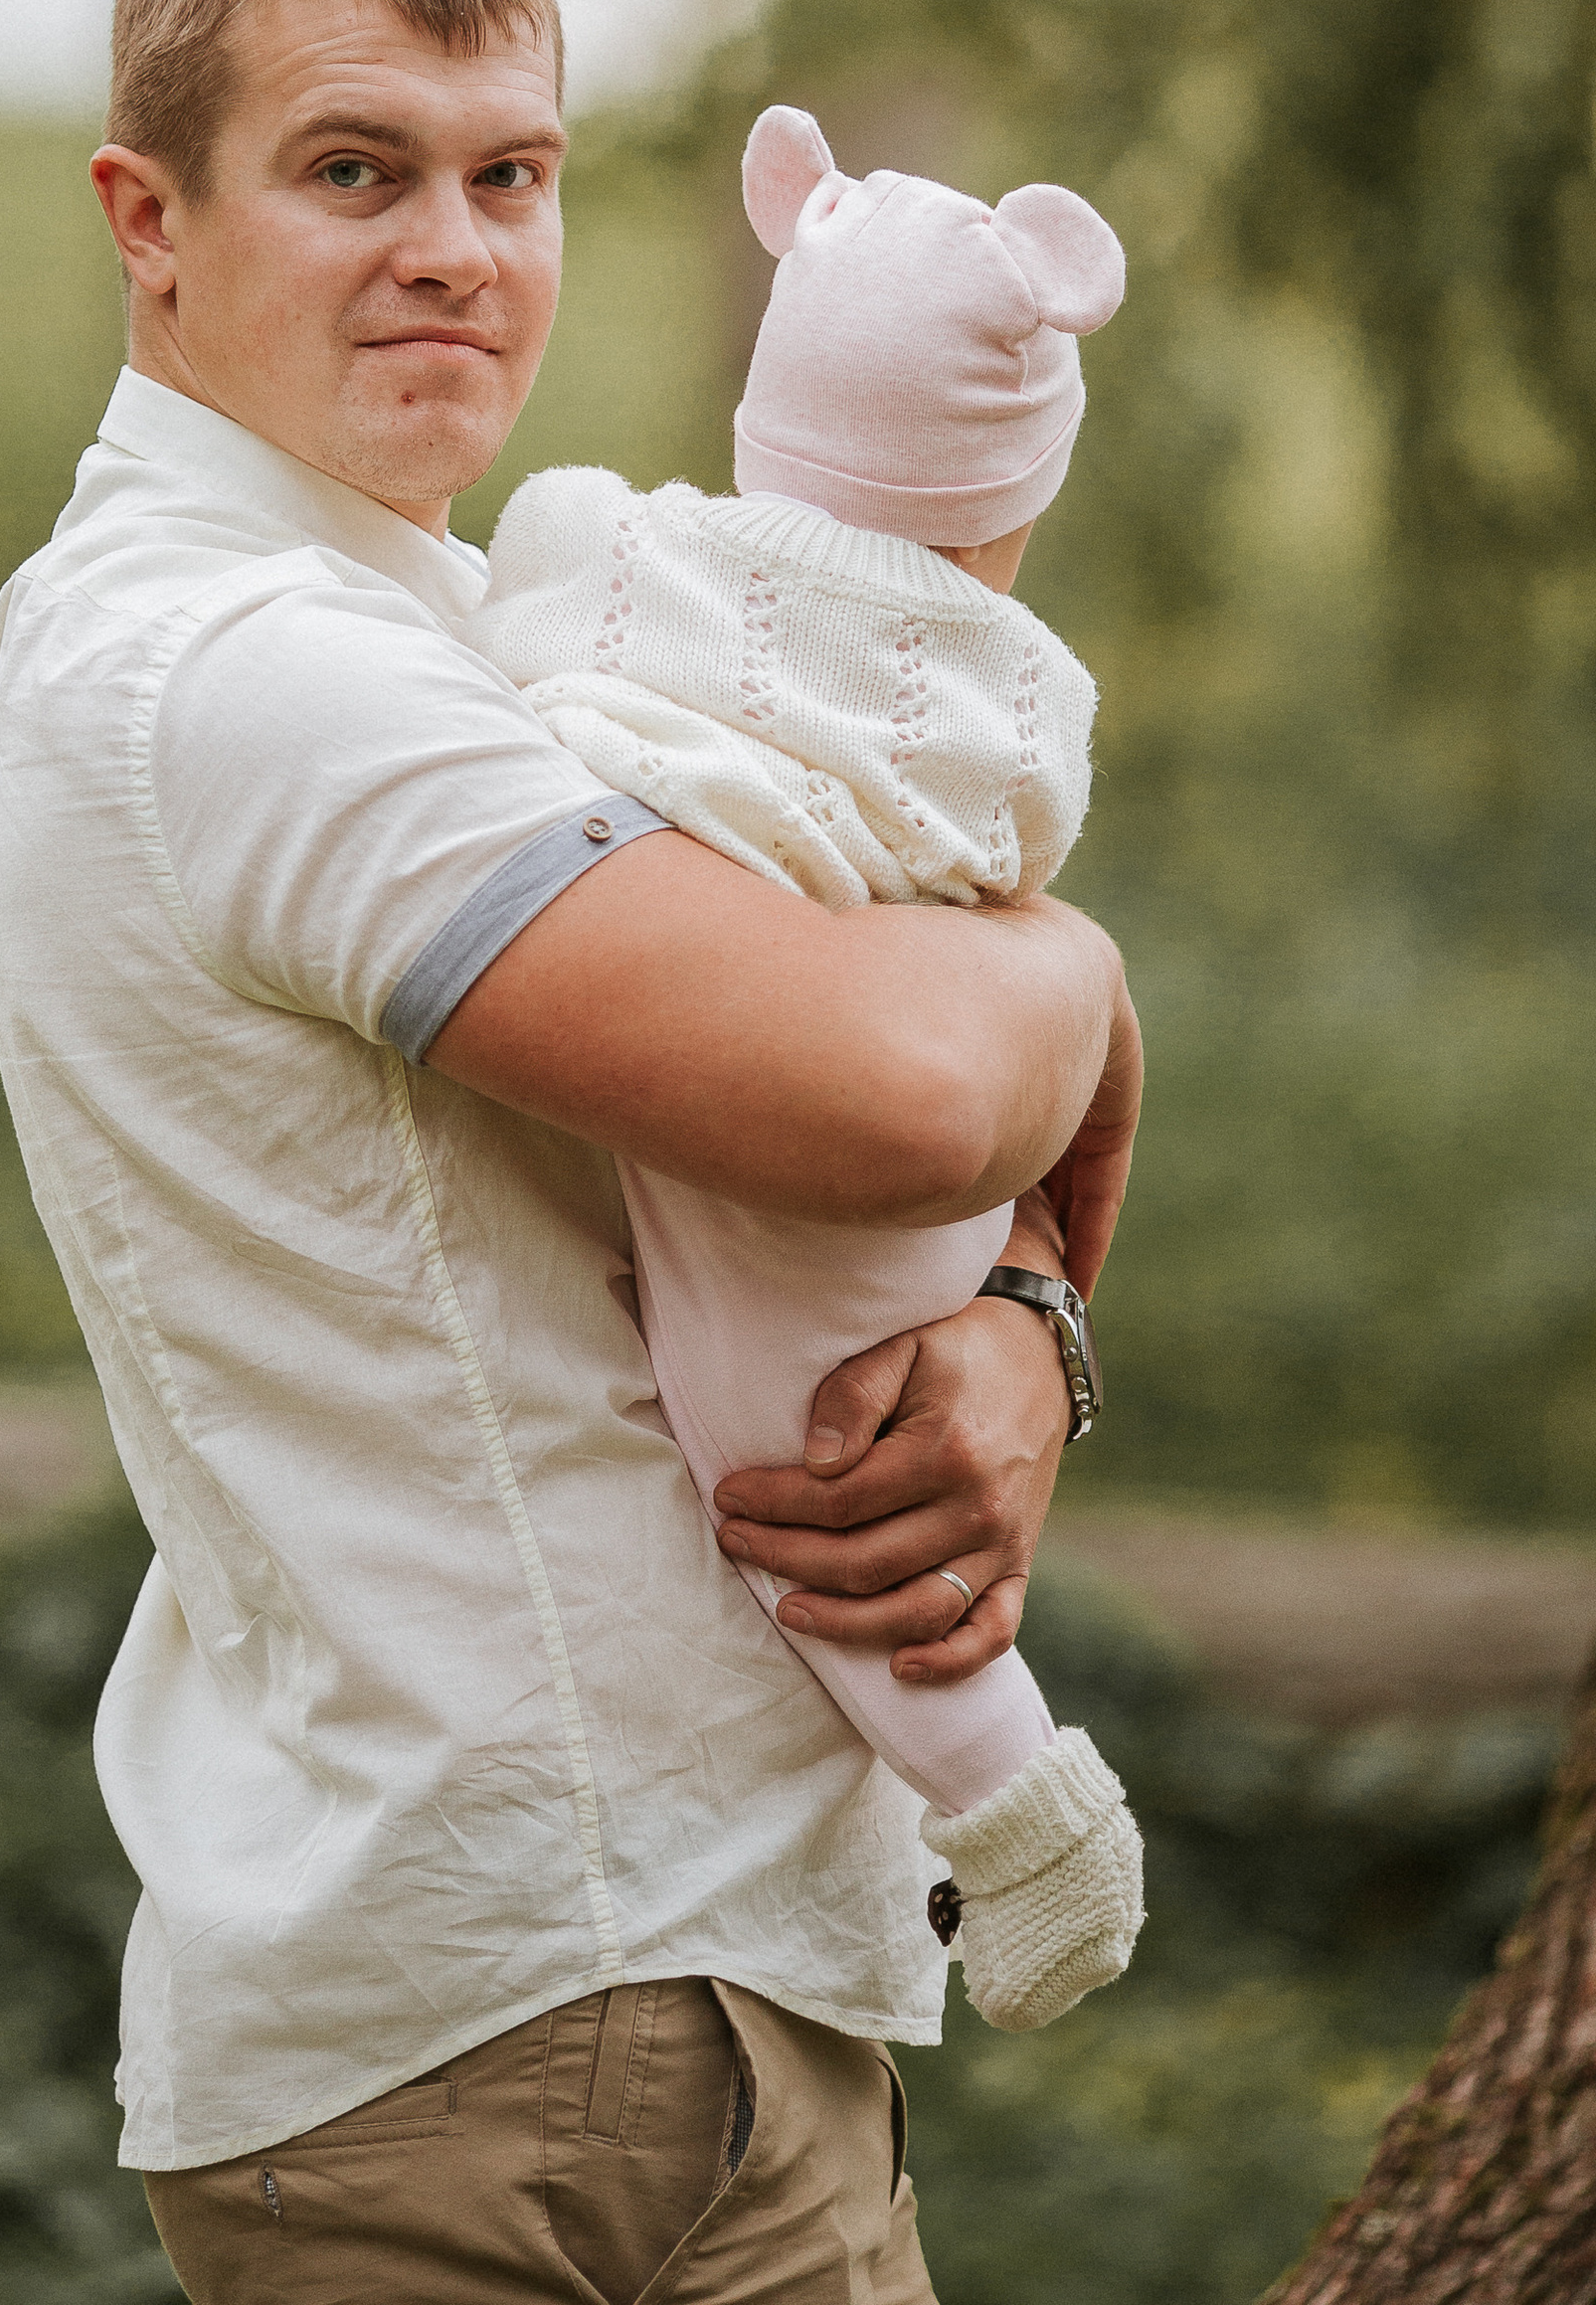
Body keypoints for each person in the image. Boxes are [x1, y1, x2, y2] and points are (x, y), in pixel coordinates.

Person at [0, 0, 1141, 2303]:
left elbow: (803, 1172)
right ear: (146, 218)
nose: (453, 247)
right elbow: (901, 1102)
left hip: (701, 1991)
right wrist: (1094, 986)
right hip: (488, 2036)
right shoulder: (239, 674)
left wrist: (1022, 1326)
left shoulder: (433, 629)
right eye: (350, 171)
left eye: (508, 173)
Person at [470, 101, 1146, 2039]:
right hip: (860, 1148)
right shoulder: (1010, 689)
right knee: (832, 1455)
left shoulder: (602, 544)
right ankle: (1013, 1802)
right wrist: (1057, 976)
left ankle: (1013, 1810)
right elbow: (1012, 876)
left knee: (820, 1461)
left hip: (764, 1095)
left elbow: (515, 612)